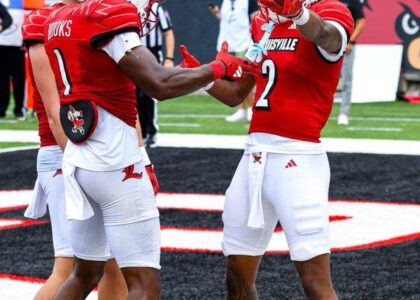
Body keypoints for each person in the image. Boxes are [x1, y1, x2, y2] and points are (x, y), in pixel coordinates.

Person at [42, 0, 258, 298]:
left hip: (81, 160)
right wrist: (217, 67)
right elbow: (159, 84)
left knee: (83, 275)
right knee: (144, 284)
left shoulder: (60, 17)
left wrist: (196, 75)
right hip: (115, 165)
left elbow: (123, 77)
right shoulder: (110, 14)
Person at [181, 0, 353, 298]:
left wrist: (298, 14)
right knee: (236, 278)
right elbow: (237, 93)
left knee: (315, 282)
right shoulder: (263, 22)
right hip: (253, 158)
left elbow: (327, 36)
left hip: (298, 160)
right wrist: (204, 75)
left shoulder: (331, 9)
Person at [22, 2, 128, 299]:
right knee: (70, 268)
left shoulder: (91, 14)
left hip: (94, 149)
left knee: (115, 262)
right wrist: (79, 162)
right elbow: (56, 115)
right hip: (65, 151)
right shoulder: (44, 21)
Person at [209, 0, 258, 122]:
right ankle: (241, 110)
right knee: (230, 79)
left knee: (243, 78)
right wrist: (217, 14)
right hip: (227, 43)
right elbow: (227, 21)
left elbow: (255, 19)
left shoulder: (249, 1)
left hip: (243, 42)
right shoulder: (225, 1)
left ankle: (251, 109)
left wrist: (253, 42)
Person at [137, 2, 175, 148]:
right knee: (133, 95)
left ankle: (151, 131)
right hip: (132, 53)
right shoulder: (128, 6)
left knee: (149, 94)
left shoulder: (156, 8)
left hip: (152, 53)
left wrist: (169, 58)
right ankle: (139, 132)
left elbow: (168, 32)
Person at [337, 0, 365, 125]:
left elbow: (361, 22)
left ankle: (344, 112)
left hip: (346, 46)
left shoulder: (353, 2)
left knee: (346, 80)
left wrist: (351, 41)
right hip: (325, 44)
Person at [0, 0, 26, 120]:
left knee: (19, 80)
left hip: (17, 45)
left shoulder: (23, 2)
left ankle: (19, 109)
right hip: (1, 45)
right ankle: (1, 109)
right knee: (2, 80)